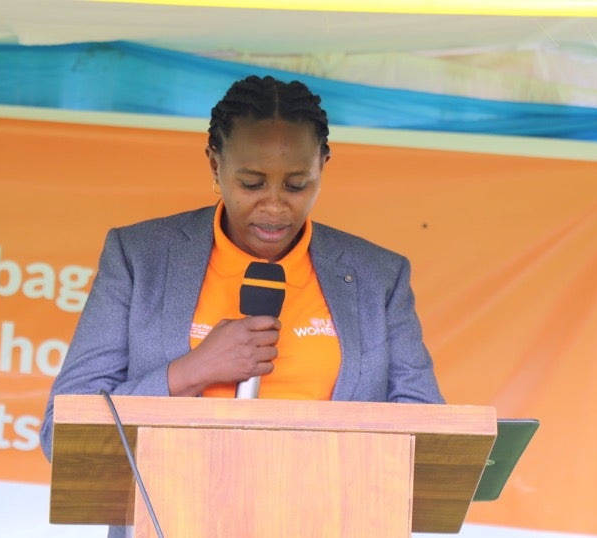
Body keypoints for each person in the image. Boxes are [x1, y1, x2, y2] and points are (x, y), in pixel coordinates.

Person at [40, 76, 444, 525]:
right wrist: (193, 370)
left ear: (323, 166)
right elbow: (63, 431)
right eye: (251, 183)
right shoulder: (140, 257)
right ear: (215, 164)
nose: (274, 207)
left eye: (296, 185)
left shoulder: (377, 277)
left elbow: (425, 429)